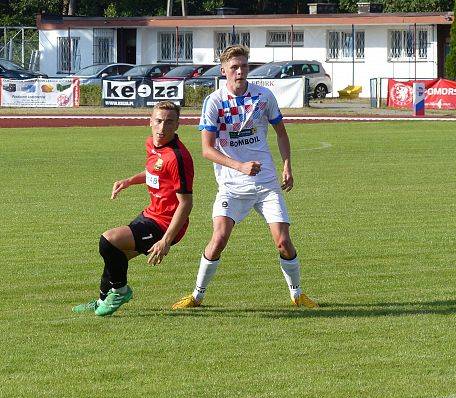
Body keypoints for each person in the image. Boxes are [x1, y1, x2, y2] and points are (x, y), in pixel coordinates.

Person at [171, 44, 318, 310]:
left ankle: (297, 295)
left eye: (244, 66)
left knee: (283, 241)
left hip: (265, 184)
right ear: (224, 70)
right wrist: (238, 166)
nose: (240, 72)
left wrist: (287, 165)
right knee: (218, 240)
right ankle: (196, 296)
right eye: (234, 67)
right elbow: (207, 149)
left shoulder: (264, 96)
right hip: (231, 186)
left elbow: (281, 133)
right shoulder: (214, 101)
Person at [73, 101, 194, 316]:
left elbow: (185, 203)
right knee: (115, 255)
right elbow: (155, 173)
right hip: (150, 214)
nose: (162, 128)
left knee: (108, 240)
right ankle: (102, 301)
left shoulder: (178, 157)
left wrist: (166, 240)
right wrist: (129, 180)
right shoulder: (152, 145)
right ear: (150, 121)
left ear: (177, 126)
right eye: (158, 121)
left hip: (166, 224)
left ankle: (120, 291)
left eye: (169, 122)